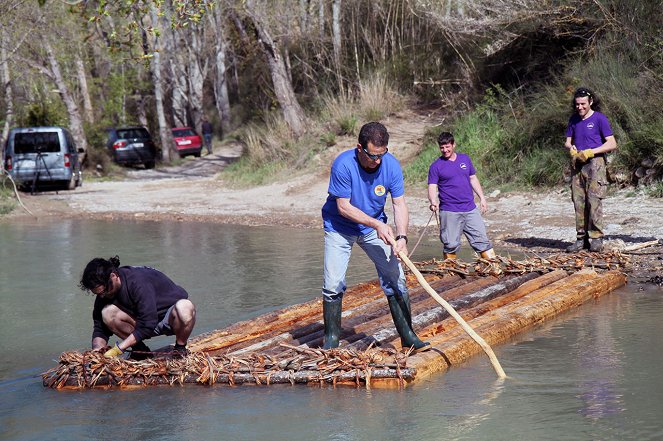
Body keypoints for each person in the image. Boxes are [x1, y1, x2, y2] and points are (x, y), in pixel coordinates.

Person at [321, 121, 429, 351]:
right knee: (333, 284)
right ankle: (331, 340)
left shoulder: (391, 166)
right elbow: (343, 207)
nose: (377, 161)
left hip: (373, 228)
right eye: (372, 156)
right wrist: (375, 224)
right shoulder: (343, 165)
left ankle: (408, 336)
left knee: (396, 277)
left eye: (382, 154)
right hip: (339, 227)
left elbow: (399, 204)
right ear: (359, 148)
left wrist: (402, 237)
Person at [79, 255, 196, 359]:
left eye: (103, 291)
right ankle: (141, 351)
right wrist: (97, 350)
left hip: (171, 318)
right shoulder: (104, 294)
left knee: (185, 307)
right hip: (143, 322)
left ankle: (180, 348)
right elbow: (100, 328)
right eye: (98, 294)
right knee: (107, 313)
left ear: (113, 276)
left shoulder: (137, 282)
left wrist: (118, 349)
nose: (102, 296)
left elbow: (148, 324)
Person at [427, 131, 496, 260]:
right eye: (442, 147)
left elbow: (473, 179)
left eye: (447, 146)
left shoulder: (465, 159)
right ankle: (450, 273)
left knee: (482, 241)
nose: (445, 150)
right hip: (449, 211)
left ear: (453, 145)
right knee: (450, 244)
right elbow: (432, 186)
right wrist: (433, 201)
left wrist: (482, 198)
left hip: (470, 208)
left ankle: (494, 268)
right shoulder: (436, 166)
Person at [564, 87, 617, 253]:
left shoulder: (600, 119)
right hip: (577, 164)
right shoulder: (573, 119)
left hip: (595, 163)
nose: (580, 107)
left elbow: (612, 143)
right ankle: (581, 240)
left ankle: (596, 238)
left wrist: (591, 151)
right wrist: (571, 149)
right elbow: (567, 141)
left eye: (583, 104)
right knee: (579, 202)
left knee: (594, 201)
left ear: (590, 102)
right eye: (577, 104)